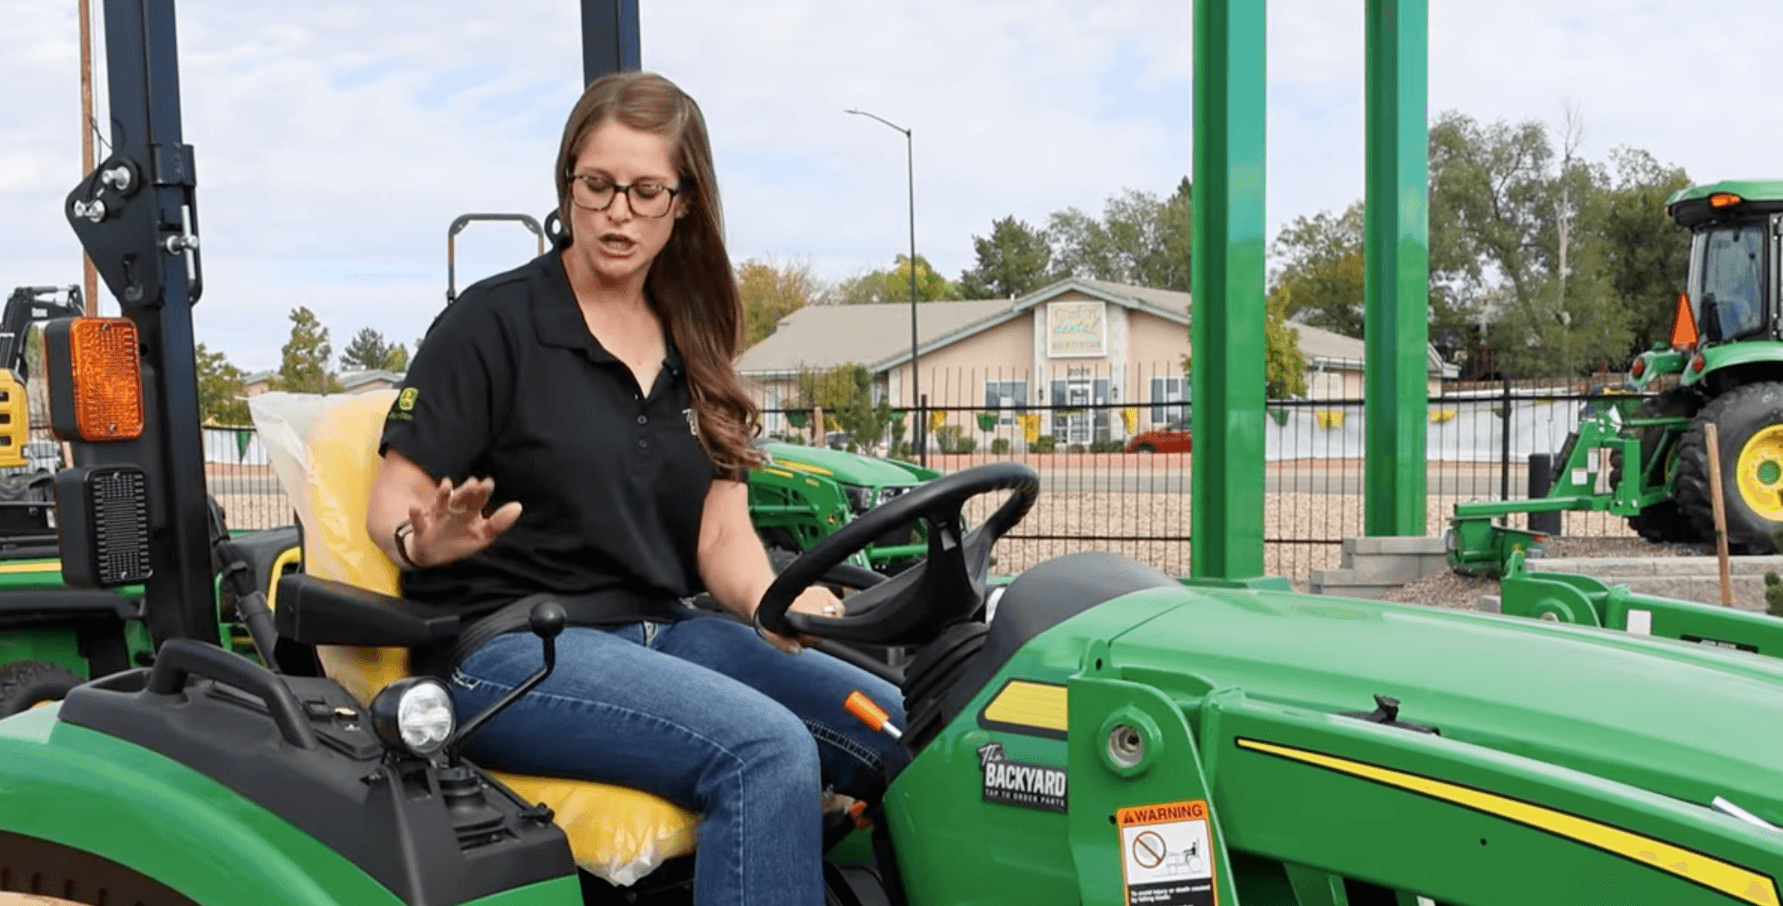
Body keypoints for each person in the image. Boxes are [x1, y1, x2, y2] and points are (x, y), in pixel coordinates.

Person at [366, 71, 905, 906]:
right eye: (597, 186)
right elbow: (392, 505)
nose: (618, 212)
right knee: (764, 750)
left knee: (910, 731)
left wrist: (779, 604)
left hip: (668, 631)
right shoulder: (493, 324)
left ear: (684, 201)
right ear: (567, 184)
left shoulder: (695, 336)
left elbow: (721, 537)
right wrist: (425, 540)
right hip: (511, 652)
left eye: (646, 190)